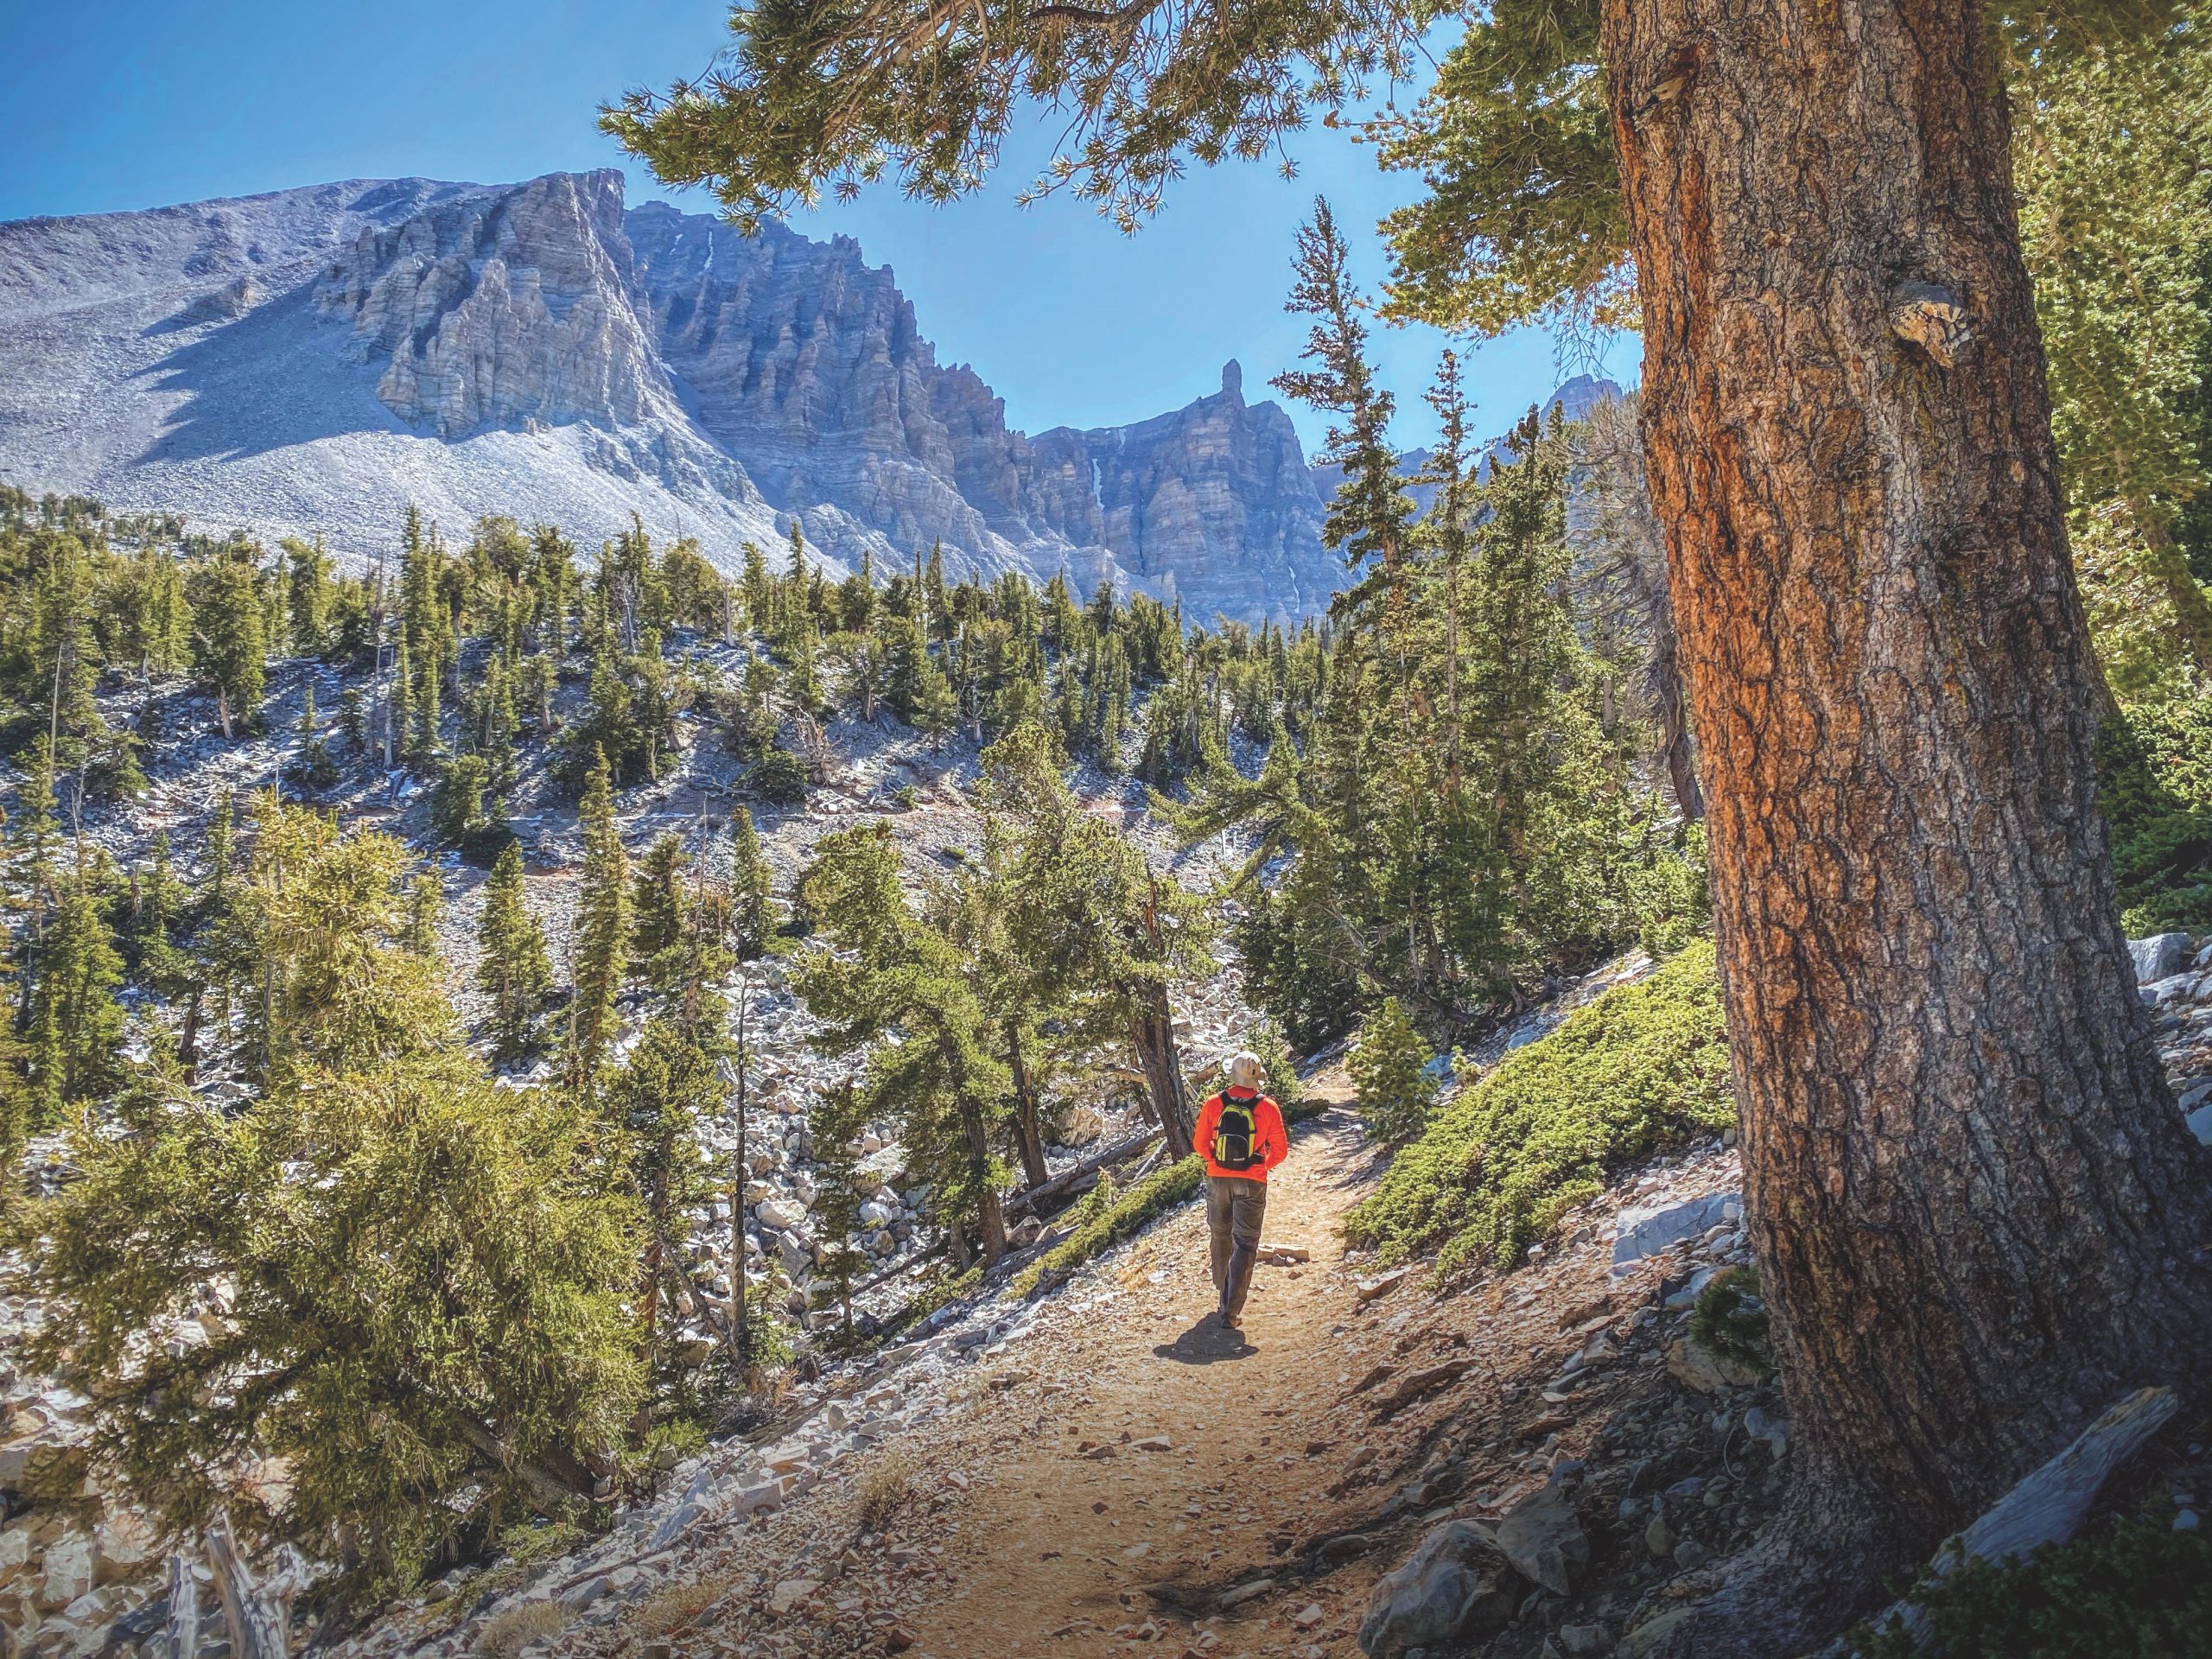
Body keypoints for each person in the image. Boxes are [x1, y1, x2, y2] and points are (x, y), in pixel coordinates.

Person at [1192, 1051, 1289, 1329]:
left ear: (1231, 1074)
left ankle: (1222, 1291)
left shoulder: (1214, 1103)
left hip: (1218, 1179)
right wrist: (1260, 1167)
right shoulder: (1268, 1107)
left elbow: (1200, 1144)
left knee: (1220, 1234)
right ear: (1256, 1079)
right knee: (1245, 1244)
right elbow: (1280, 1151)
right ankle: (1231, 1311)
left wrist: (1216, 1160)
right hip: (1252, 1181)